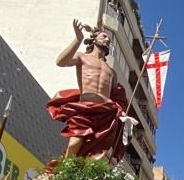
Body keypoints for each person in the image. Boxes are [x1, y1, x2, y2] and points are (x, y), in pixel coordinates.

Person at [49, 20, 130, 160]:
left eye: (109, 39)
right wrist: (78, 39)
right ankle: (64, 173)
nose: (107, 40)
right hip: (85, 109)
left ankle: (84, 175)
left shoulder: (111, 72)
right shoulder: (82, 57)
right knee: (74, 143)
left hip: (105, 113)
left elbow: (116, 96)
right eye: (104, 37)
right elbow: (60, 62)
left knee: (97, 153)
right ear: (94, 39)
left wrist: (118, 109)